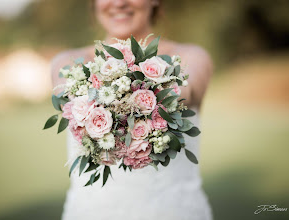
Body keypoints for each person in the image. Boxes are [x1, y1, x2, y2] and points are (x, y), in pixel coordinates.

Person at [51, 0, 213, 219]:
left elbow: (187, 89)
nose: (118, 3)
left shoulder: (191, 57)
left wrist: (150, 95)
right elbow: (69, 94)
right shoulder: (68, 63)